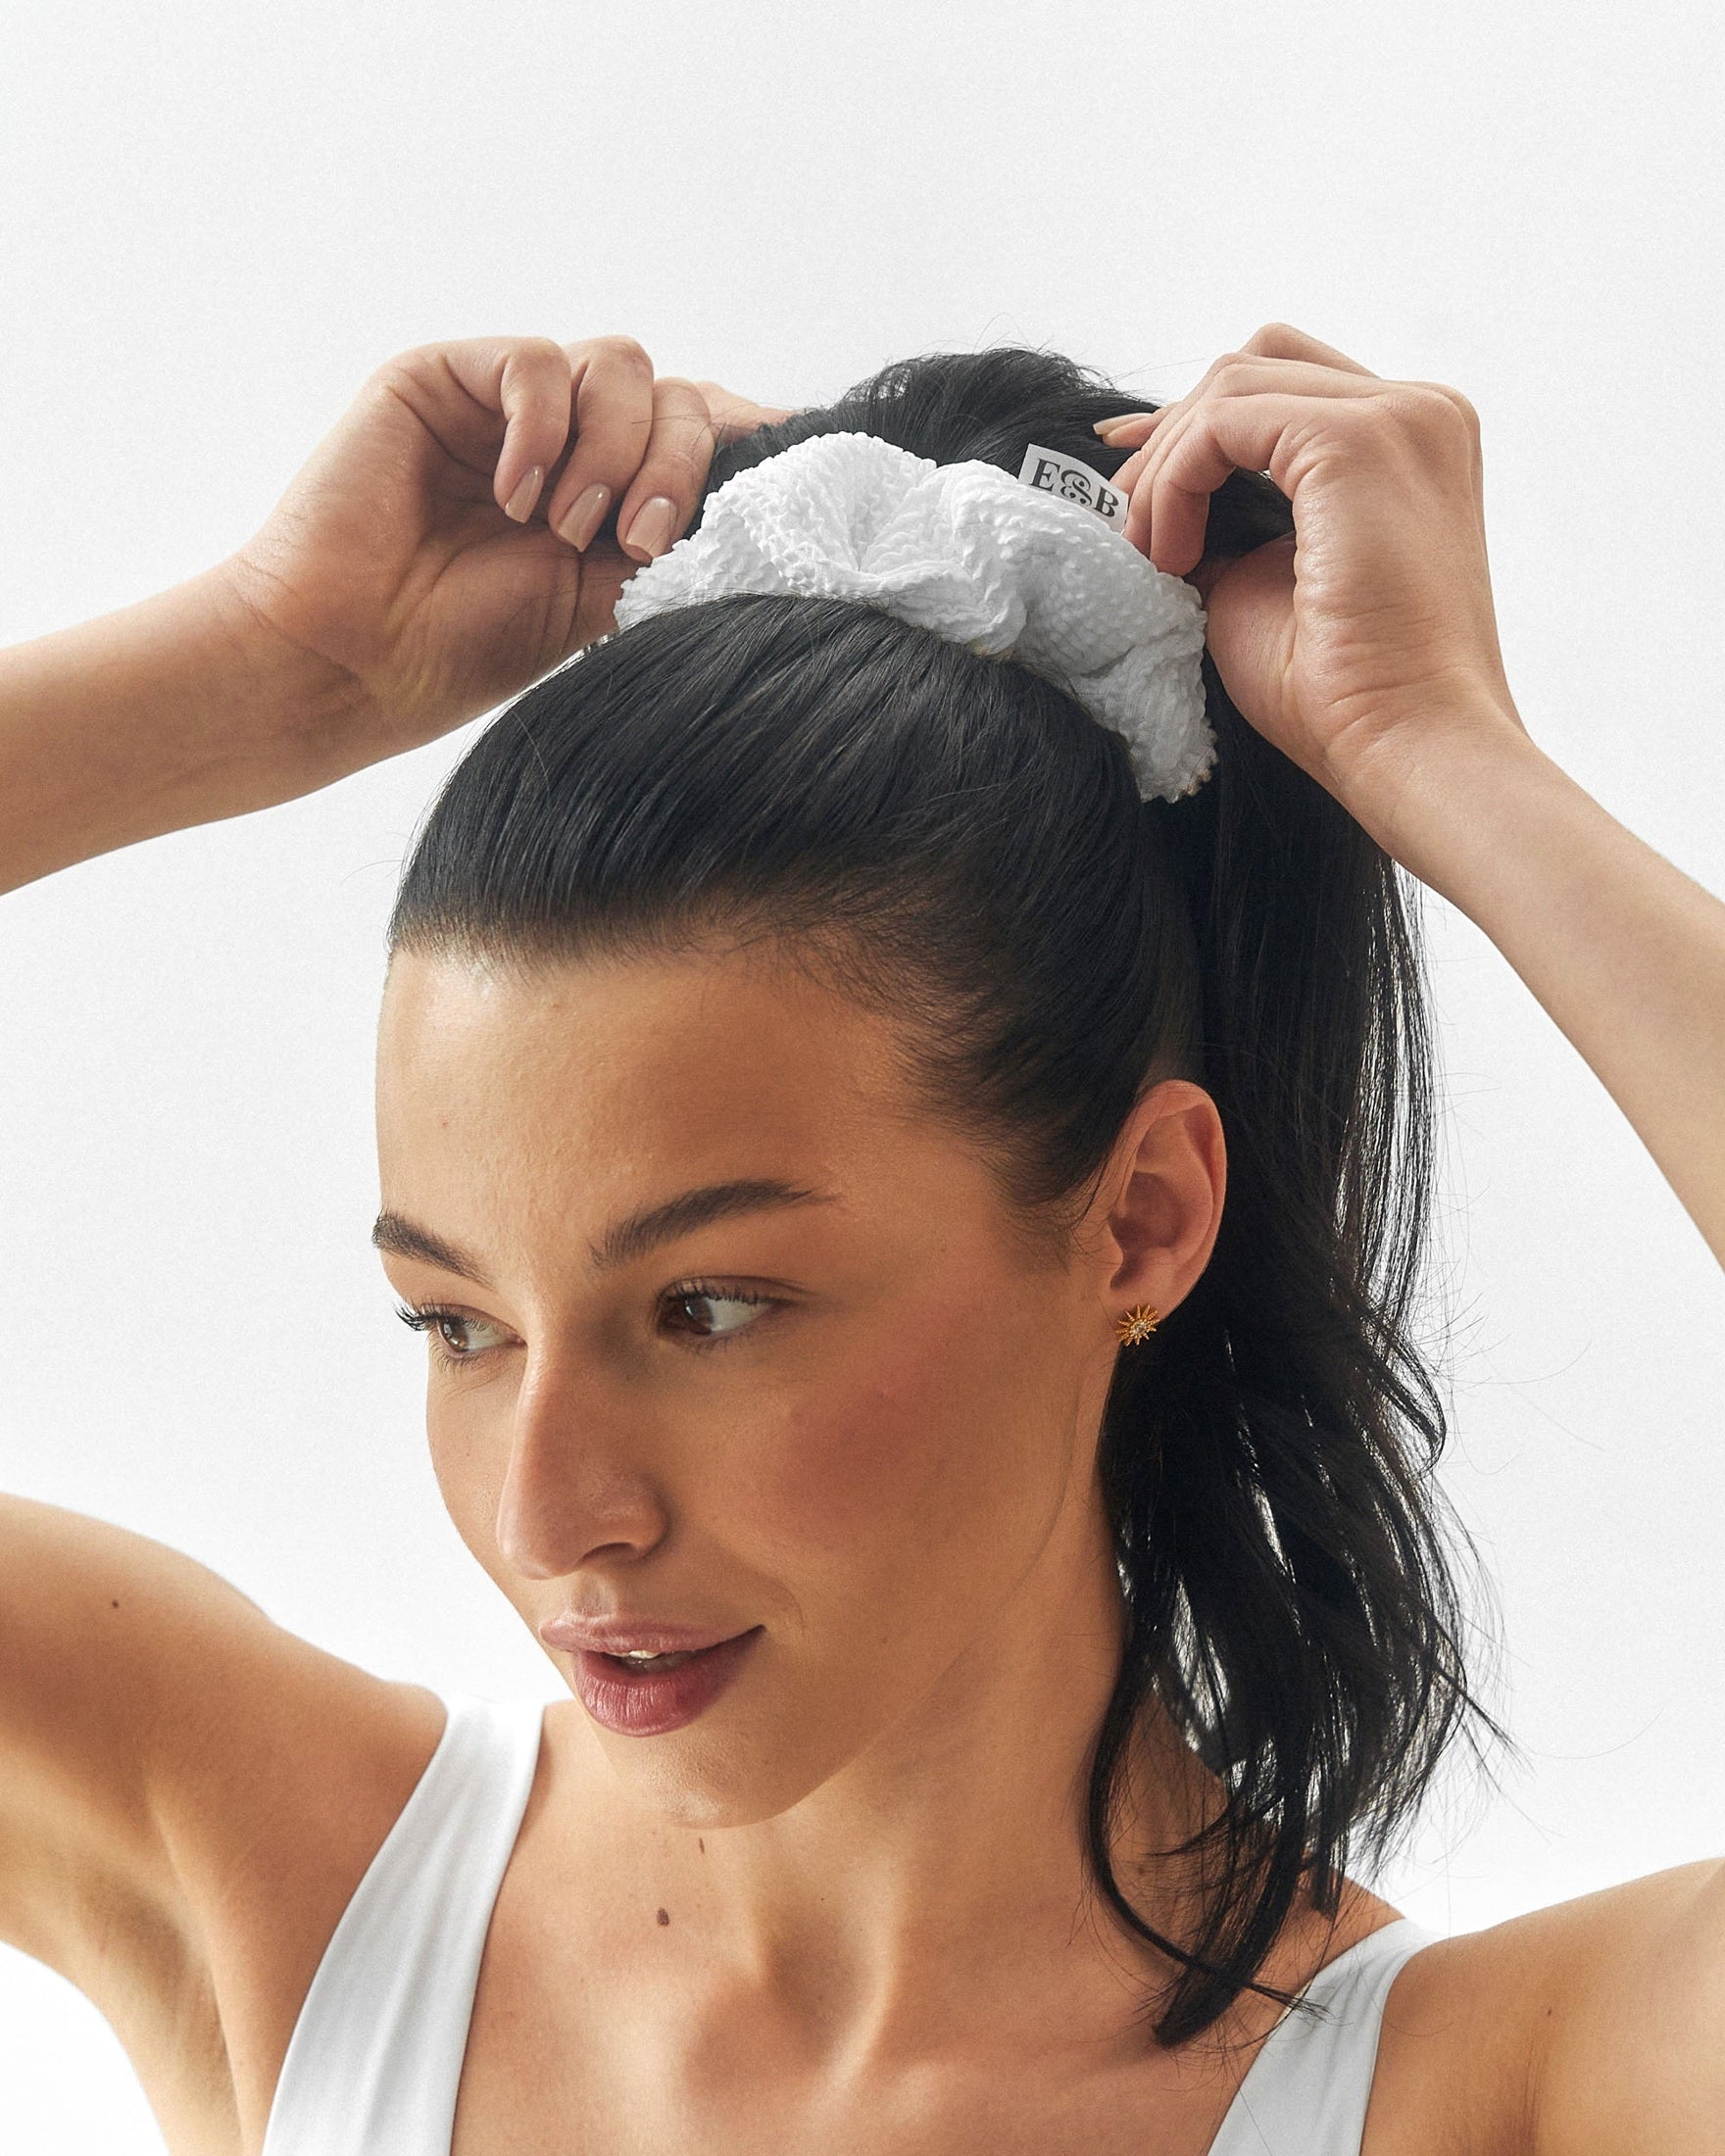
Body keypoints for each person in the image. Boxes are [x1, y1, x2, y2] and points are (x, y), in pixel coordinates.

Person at [1, 323, 1720, 2156]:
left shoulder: (1494, 2093)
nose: (546, 1514)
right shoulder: (289, 1901)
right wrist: (270, 669)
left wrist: (1437, 749)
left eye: (708, 1307)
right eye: (458, 1325)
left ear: (1142, 1220)